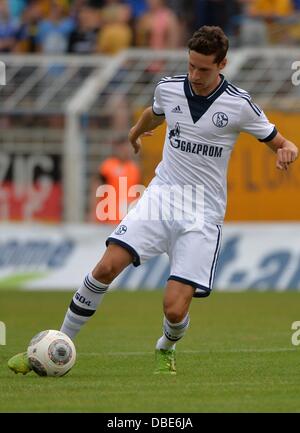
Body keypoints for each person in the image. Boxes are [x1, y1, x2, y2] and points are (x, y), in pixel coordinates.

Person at [8, 25, 298, 376]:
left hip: (202, 214)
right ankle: (56, 345)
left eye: (204, 69)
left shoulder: (240, 105)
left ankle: (166, 346)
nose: (195, 75)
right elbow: (153, 113)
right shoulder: (169, 88)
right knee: (105, 267)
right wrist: (134, 132)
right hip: (161, 197)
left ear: (222, 64)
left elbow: (280, 142)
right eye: (191, 66)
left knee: (174, 310)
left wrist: (287, 150)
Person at [88, 137, 141, 224]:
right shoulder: (108, 166)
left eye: (127, 148)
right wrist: (93, 211)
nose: (125, 151)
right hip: (108, 216)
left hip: (127, 217)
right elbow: (96, 187)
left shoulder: (134, 168)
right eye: (123, 148)